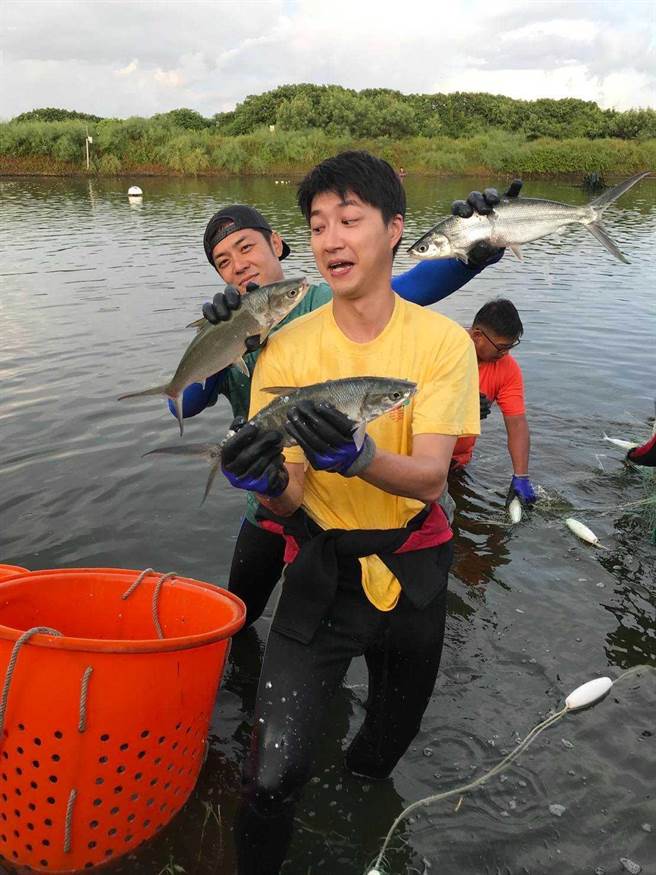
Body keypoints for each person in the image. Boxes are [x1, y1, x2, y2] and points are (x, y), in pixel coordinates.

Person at [219, 150, 481, 874]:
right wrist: (265, 477)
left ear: (395, 228)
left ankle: (363, 828)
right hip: (321, 570)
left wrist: (361, 458)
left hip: (416, 572)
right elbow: (290, 496)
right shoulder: (288, 349)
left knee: (378, 754)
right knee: (270, 778)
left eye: (350, 219)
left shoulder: (444, 344)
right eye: (317, 224)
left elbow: (431, 479)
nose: (331, 239)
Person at [174, 184, 520, 629]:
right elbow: (185, 402)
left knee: (333, 622)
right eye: (223, 262)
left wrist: (475, 248)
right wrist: (209, 339)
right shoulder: (232, 328)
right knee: (240, 613)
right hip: (271, 493)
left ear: (276, 242)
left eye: (246, 248)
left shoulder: (328, 300)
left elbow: (412, 287)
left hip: (338, 508)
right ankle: (240, 682)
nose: (239, 265)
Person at [451, 298, 537, 506]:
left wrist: (521, 476)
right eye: (500, 348)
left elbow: (516, 423)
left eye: (510, 346)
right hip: (415, 455)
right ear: (478, 336)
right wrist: (462, 404)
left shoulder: (508, 368)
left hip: (457, 461)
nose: (505, 353)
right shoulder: (445, 347)